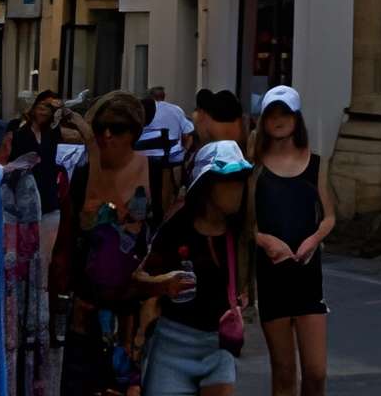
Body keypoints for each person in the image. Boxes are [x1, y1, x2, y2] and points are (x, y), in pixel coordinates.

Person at [58, 89, 158, 394]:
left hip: (133, 302)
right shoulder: (85, 172)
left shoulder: (154, 171)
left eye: (117, 129)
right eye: (101, 129)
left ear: (134, 132)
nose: (107, 136)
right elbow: (84, 222)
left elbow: (160, 233)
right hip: (88, 299)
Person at [135, 140, 253, 393]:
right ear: (207, 185)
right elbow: (137, 280)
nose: (238, 188)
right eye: (229, 179)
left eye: (242, 179)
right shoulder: (177, 227)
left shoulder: (240, 233)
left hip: (218, 349)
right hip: (171, 346)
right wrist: (162, 284)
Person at [248, 87, 332, 396]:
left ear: (297, 118)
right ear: (264, 121)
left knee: (316, 372)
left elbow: (329, 217)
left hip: (309, 278)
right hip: (272, 278)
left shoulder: (316, 164)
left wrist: (314, 239)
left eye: (285, 113)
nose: (279, 120)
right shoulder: (253, 168)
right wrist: (265, 240)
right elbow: (245, 224)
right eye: (272, 114)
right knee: (283, 372)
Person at [7, 90, 67, 275]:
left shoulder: (55, 134)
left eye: (50, 109)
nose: (45, 112)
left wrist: (64, 111)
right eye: (43, 106)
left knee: (45, 259)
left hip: (49, 201)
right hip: (25, 202)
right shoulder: (19, 134)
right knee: (24, 256)